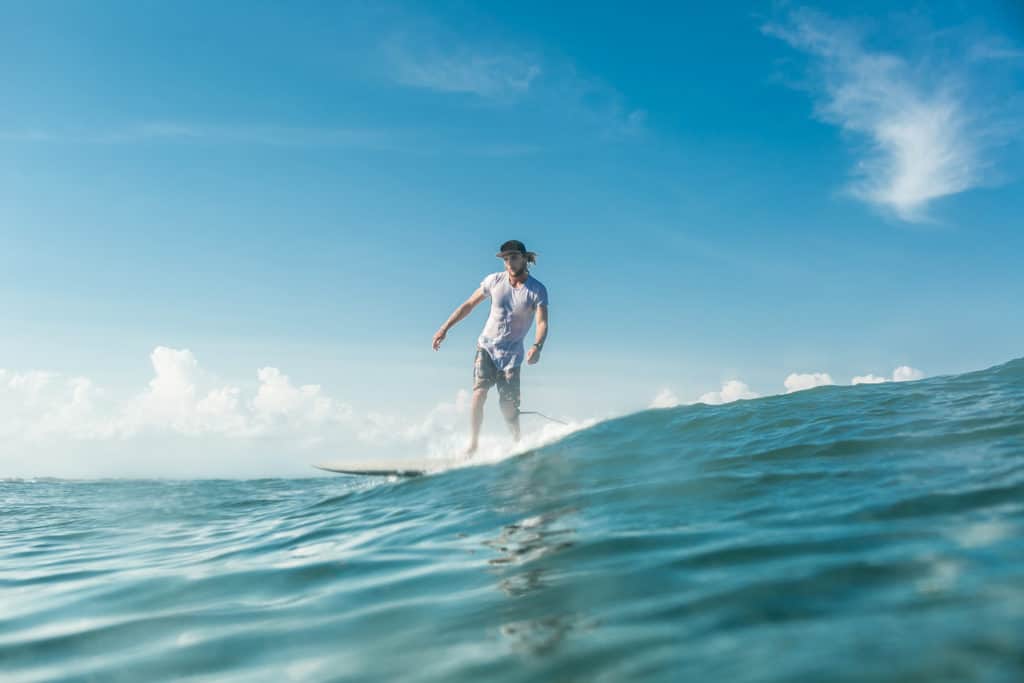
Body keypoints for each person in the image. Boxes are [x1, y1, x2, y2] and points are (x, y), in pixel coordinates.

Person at [432, 240, 549, 454]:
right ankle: (473, 444)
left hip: (512, 355)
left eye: (513, 257)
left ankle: (516, 443)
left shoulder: (537, 290)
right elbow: (468, 305)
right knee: (479, 394)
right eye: (505, 259)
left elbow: (542, 322)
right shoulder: (494, 281)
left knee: (508, 407)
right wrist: (445, 328)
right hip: (486, 346)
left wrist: (537, 346)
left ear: (524, 258)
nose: (509, 263)